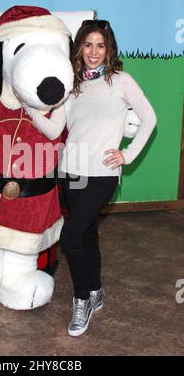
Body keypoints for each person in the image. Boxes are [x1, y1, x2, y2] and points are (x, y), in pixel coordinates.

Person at [23, 19, 157, 337]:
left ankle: (81, 299)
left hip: (102, 175)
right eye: (88, 45)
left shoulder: (122, 81)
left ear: (108, 49)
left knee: (70, 236)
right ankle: (95, 289)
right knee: (86, 236)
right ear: (80, 48)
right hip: (70, 173)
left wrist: (128, 154)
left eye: (100, 45)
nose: (94, 52)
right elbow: (56, 129)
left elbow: (150, 117)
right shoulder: (74, 86)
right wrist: (30, 109)